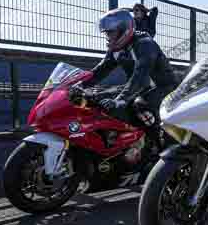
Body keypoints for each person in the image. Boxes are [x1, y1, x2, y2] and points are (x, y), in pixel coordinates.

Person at [72, 8, 178, 153]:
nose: (108, 37)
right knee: (96, 98)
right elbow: (100, 71)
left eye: (111, 32)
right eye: (106, 33)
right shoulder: (116, 49)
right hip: (140, 87)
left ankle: (160, 148)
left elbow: (141, 75)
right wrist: (79, 84)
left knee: (140, 106)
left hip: (163, 87)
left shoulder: (144, 43)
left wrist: (120, 99)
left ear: (123, 29)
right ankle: (120, 144)